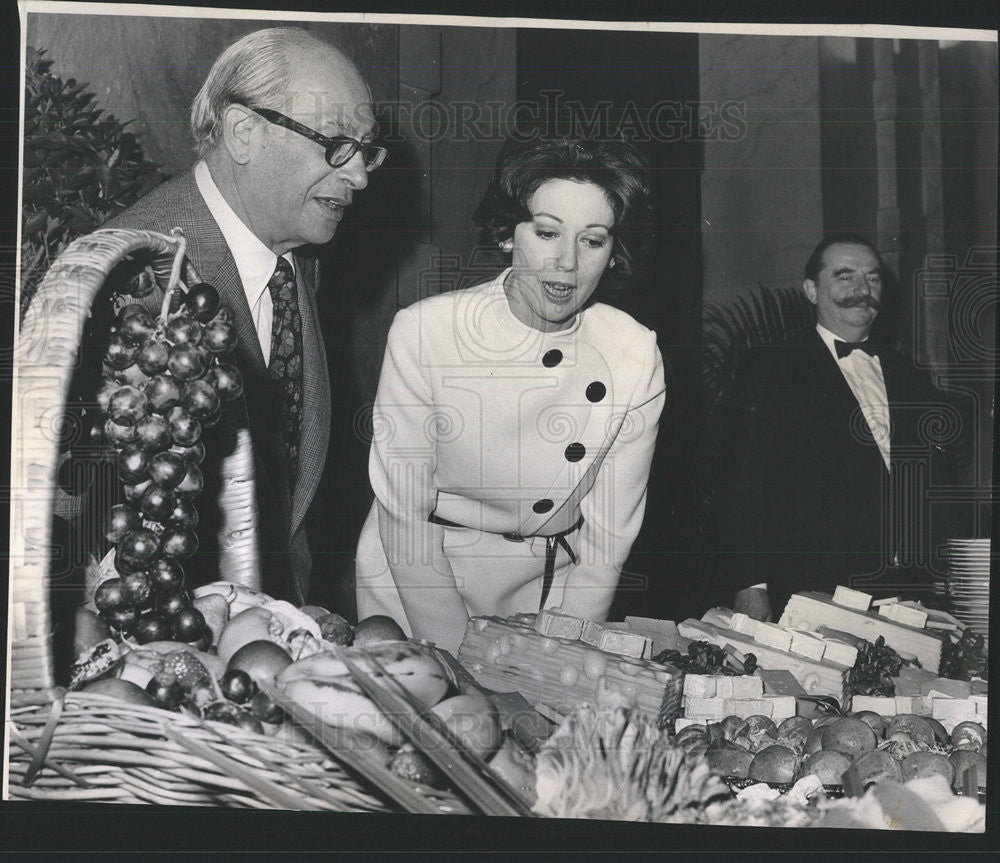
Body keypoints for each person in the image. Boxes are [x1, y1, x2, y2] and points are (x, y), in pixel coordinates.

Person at [69, 27, 384, 605]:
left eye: (366, 150)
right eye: (339, 144)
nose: (359, 175)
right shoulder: (133, 285)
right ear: (244, 132)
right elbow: (97, 528)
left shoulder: (290, 258)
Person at [355, 137, 666, 654]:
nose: (566, 263)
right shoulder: (425, 333)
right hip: (418, 582)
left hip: (544, 592)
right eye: (547, 233)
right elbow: (405, 520)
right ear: (507, 235)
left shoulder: (633, 353)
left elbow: (606, 544)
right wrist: (456, 655)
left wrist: (560, 653)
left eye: (593, 241)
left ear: (614, 254)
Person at [717, 233, 961, 622]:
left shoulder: (910, 376)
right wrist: (751, 585)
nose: (862, 289)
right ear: (812, 290)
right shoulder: (771, 369)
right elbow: (746, 485)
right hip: (813, 594)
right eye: (845, 276)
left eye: (873, 278)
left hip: (908, 595)